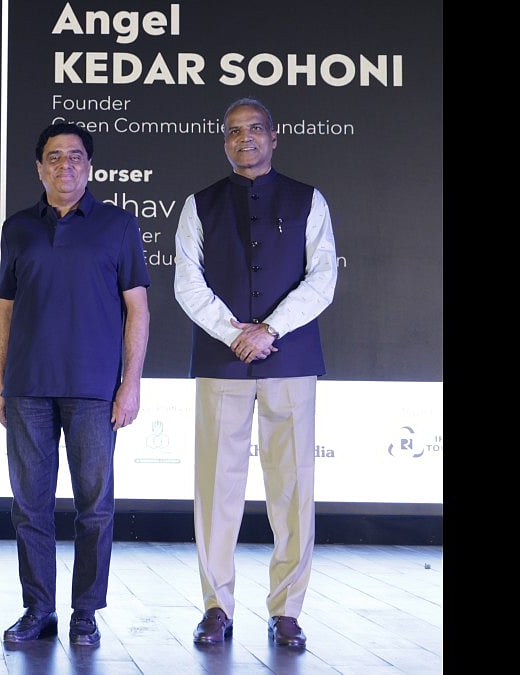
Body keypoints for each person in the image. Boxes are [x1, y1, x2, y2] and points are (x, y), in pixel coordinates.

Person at [173, 97, 338, 649]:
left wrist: (270, 329)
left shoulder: (309, 199)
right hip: (222, 359)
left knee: (292, 489)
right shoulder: (200, 204)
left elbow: (322, 277)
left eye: (255, 130)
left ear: (274, 135)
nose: (245, 139)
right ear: (224, 141)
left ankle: (287, 610)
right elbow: (187, 283)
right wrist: (234, 333)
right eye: (234, 132)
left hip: (289, 357)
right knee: (215, 490)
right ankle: (216, 606)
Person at [0, 122, 151, 647]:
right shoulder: (18, 228)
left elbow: (138, 309)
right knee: (29, 506)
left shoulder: (118, 225)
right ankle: (38, 609)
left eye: (76, 156)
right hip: (28, 387)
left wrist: (131, 384)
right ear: (39, 168)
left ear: (90, 166)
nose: (66, 166)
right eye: (55, 157)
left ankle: (86, 611)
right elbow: (5, 311)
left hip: (94, 389)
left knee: (94, 506)